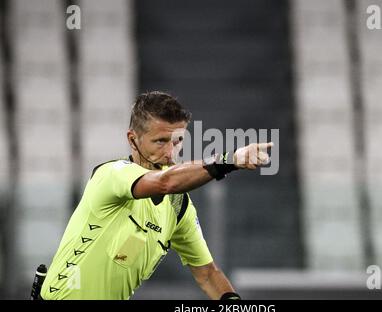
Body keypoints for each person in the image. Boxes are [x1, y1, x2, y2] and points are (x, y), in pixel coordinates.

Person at [40, 91, 273, 300]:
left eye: (178, 140)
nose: (171, 153)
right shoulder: (111, 175)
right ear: (133, 139)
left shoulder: (178, 206)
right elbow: (165, 182)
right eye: (161, 141)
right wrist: (229, 160)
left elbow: (207, 274)